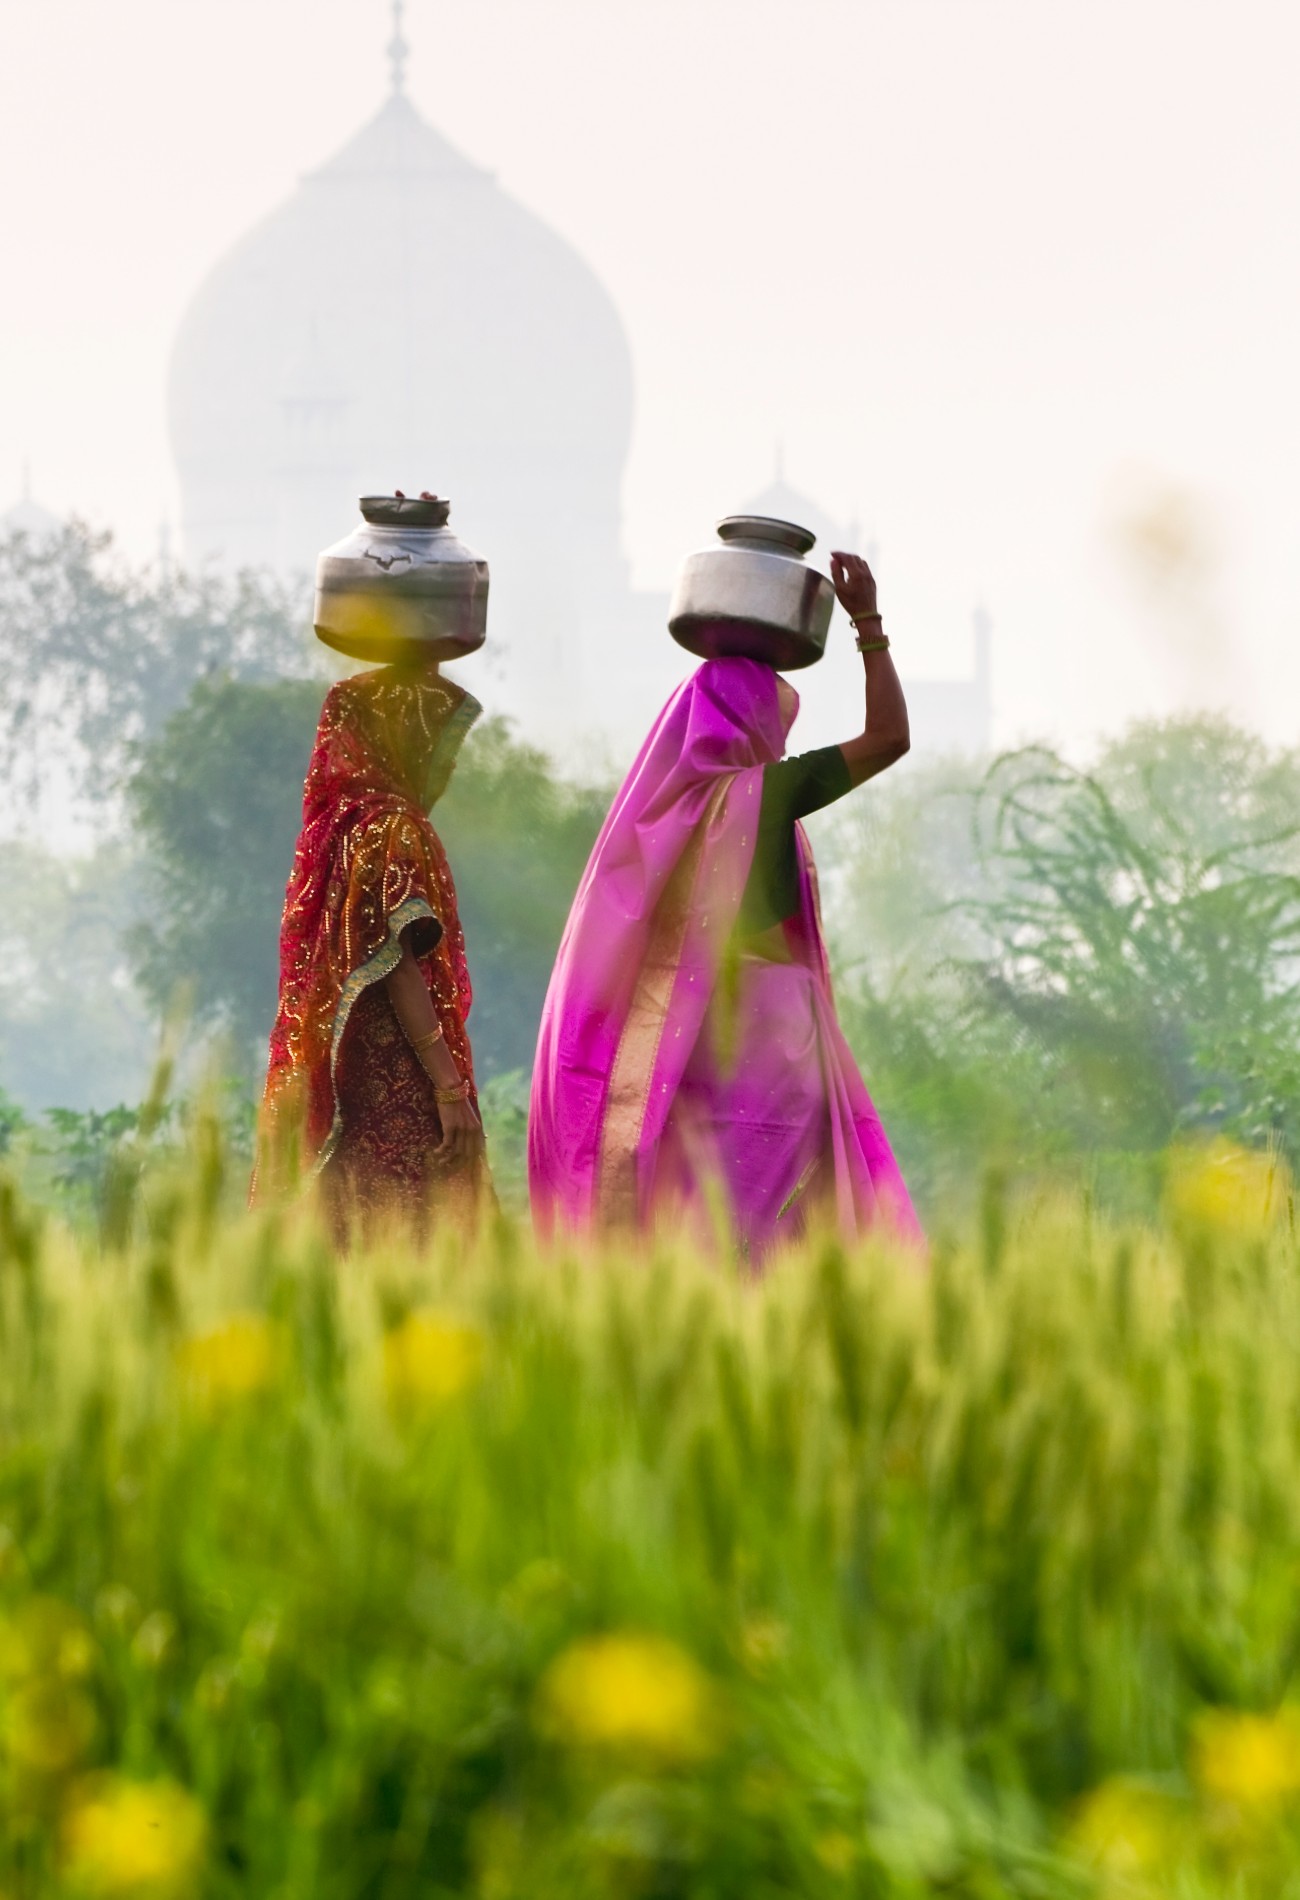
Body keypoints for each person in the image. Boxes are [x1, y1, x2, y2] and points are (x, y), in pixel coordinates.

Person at [528, 550, 918, 1261]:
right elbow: (890, 738)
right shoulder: (767, 794)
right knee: (762, 1242)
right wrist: (867, 623)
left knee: (687, 1237)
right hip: (773, 1049)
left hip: (685, 1056)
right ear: (756, 722)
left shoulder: (656, 824)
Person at [255, 652, 488, 1240]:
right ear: (403, 737)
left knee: (343, 1236)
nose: (450, 762)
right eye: (440, 740)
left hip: (350, 1081)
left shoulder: (343, 827)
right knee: (416, 1237)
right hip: (401, 1079)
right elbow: (400, 964)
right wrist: (448, 1088)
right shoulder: (392, 825)